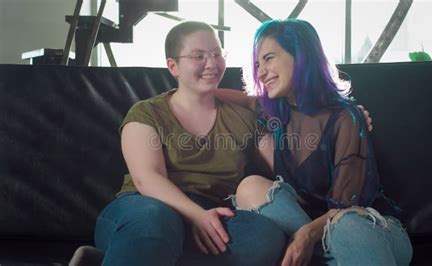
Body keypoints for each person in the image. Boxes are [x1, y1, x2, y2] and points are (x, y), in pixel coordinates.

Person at [219, 19, 413, 265]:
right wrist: (177, 92)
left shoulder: (345, 116)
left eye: (268, 58)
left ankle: (314, 248)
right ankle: (323, 256)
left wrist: (307, 234)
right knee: (250, 187)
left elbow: (346, 207)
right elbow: (221, 97)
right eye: (257, 64)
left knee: (345, 225)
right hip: (308, 225)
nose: (260, 72)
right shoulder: (275, 111)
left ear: (300, 56)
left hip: (367, 228)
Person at [93, 21, 288, 266]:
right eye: (198, 56)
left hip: (213, 213)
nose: (212, 63)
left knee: (263, 237)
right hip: (144, 206)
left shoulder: (243, 118)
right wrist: (196, 216)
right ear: (173, 66)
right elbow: (147, 178)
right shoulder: (147, 112)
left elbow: (284, 168)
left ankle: (135, 254)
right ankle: (141, 248)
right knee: (155, 221)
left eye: (217, 54)